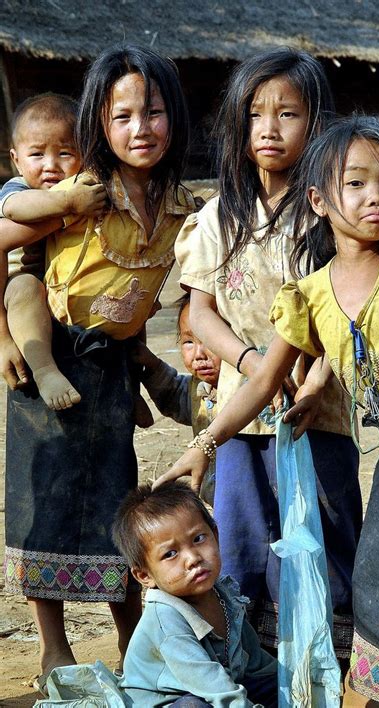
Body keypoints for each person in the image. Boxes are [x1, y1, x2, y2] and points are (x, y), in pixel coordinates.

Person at [158, 114, 379, 707]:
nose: (375, 197)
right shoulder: (311, 295)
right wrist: (203, 446)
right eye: (354, 184)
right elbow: (261, 383)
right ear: (319, 200)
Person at [2, 45, 198, 694]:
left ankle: (132, 637)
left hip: (113, 369)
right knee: (45, 504)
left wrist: (148, 367)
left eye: (155, 112)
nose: (141, 127)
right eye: (123, 116)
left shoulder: (180, 207)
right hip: (49, 363)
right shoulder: (78, 195)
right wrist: (3, 333)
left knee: (120, 503)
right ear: (99, 124)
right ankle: (53, 648)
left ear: (176, 120)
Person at [174, 48, 362, 656]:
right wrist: (253, 362)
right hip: (238, 409)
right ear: (237, 124)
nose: (269, 128)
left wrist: (310, 383)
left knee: (323, 535)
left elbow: (349, 308)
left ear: (316, 125)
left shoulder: (332, 213)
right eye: (256, 114)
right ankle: (254, 668)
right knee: (244, 542)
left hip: (319, 407)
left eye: (289, 113)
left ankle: (324, 670)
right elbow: (199, 311)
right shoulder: (216, 218)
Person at [112, 480, 278, 707]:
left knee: (278, 683)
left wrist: (289, 682)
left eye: (199, 539)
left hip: (216, 690)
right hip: (172, 702)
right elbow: (214, 687)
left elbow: (257, 663)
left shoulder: (224, 594)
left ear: (216, 535)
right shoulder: (166, 621)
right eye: (170, 554)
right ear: (144, 576)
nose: (193, 559)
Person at [0, 93, 106, 409]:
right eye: (36, 154)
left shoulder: (87, 186)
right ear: (15, 159)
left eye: (64, 153)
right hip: (24, 288)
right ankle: (45, 370)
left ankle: (130, 384)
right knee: (25, 288)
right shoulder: (18, 188)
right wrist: (68, 203)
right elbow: (15, 210)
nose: (51, 166)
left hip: (71, 291)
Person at [133, 293, 220, 504]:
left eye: (209, 340)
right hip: (216, 498)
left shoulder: (247, 390)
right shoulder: (197, 388)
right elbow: (173, 395)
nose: (199, 354)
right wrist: (152, 365)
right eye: (188, 342)